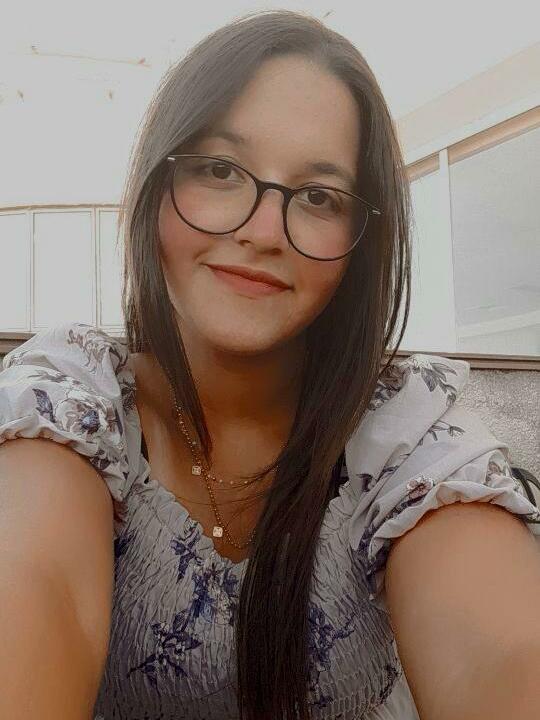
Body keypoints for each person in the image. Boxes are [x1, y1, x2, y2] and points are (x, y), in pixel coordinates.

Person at [1, 9, 540, 720]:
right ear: (157, 185)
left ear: (362, 237)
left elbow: (501, 651)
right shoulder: (70, 400)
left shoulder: (408, 433)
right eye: (221, 170)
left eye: (319, 197)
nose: (262, 232)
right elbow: (34, 582)